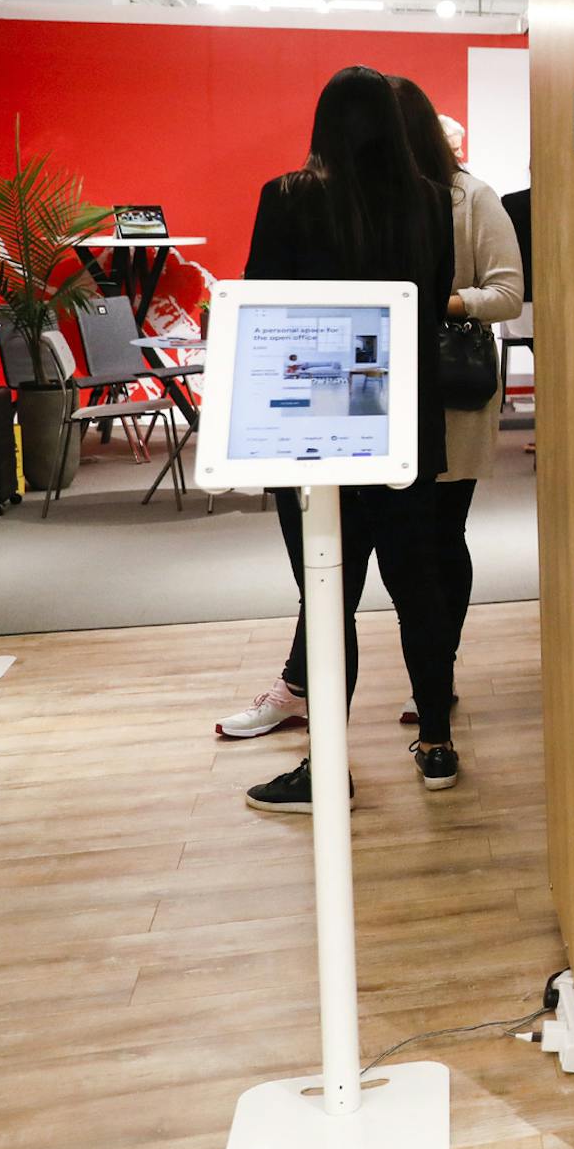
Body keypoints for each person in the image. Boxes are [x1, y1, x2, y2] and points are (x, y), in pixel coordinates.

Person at [214, 65, 463, 805]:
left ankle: (329, 766)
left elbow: (263, 306)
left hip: (317, 435)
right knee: (420, 590)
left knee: (329, 597)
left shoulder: (286, 198)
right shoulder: (428, 203)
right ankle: (438, 744)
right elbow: (433, 304)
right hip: (406, 428)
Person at [388, 77, 524, 724]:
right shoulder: (372, 200)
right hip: (386, 389)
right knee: (407, 541)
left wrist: (435, 301)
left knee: (443, 532)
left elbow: (507, 295)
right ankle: (431, 672)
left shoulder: (473, 198)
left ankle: (438, 673)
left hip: (452, 383)